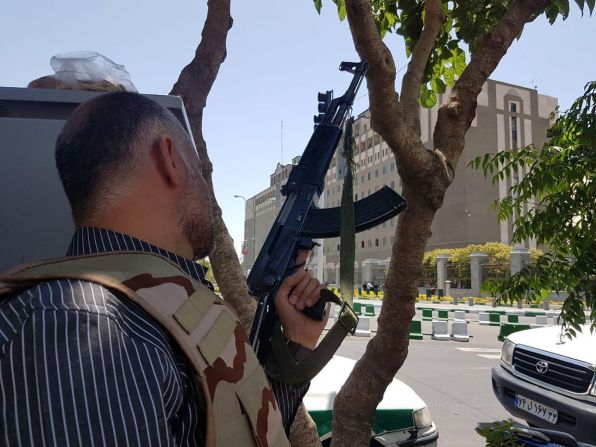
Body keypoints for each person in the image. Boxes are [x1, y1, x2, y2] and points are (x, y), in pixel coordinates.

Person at [0, 92, 327, 446]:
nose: (205, 188)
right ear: (170, 158)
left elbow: (238, 430)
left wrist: (297, 343)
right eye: (201, 172)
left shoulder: (165, 303)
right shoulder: (76, 322)